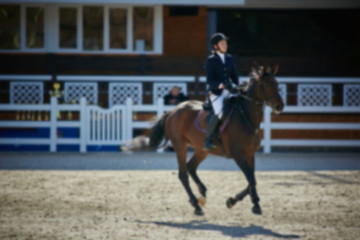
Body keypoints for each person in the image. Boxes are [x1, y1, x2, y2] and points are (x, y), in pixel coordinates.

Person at [203, 33, 240, 150]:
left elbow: (234, 75)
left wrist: (238, 85)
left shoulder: (229, 58)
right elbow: (209, 80)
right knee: (219, 113)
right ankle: (208, 140)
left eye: (225, 43)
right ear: (215, 46)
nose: (225, 45)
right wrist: (221, 85)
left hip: (229, 90)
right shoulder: (211, 60)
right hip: (216, 92)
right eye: (222, 43)